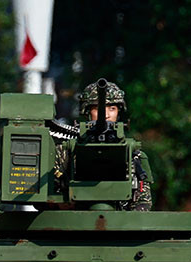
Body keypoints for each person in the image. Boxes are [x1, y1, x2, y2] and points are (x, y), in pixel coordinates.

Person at [53, 79, 154, 211]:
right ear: (87, 112)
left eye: (112, 108)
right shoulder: (66, 152)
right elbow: (47, 196)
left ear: (118, 112)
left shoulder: (133, 154)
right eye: (98, 108)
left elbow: (143, 203)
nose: (106, 115)